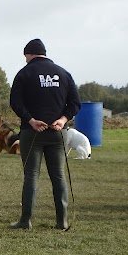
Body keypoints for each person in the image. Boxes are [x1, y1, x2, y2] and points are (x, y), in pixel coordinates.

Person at [9, 38, 81, 230]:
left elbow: (15, 102)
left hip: (31, 132)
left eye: (25, 56)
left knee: (31, 175)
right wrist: (63, 119)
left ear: (29, 54)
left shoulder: (24, 73)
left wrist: (31, 120)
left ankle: (26, 220)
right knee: (58, 175)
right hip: (57, 132)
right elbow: (75, 103)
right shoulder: (64, 74)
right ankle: (62, 221)